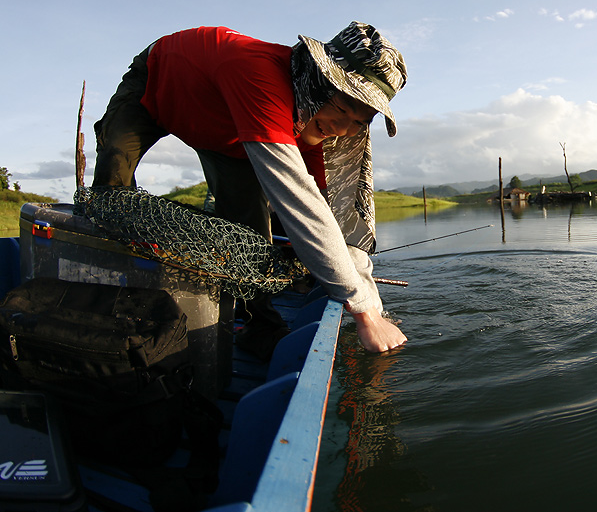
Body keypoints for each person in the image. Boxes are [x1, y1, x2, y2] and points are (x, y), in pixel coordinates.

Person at [91, 22, 408, 357]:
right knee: (112, 188)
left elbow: (332, 216)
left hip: (223, 136)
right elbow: (299, 206)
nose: (342, 128)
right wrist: (364, 314)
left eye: (359, 121)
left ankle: (259, 327)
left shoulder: (313, 122)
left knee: (252, 238)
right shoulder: (260, 78)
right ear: (316, 82)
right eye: (342, 109)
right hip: (155, 86)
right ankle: (97, 298)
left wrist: (370, 299)